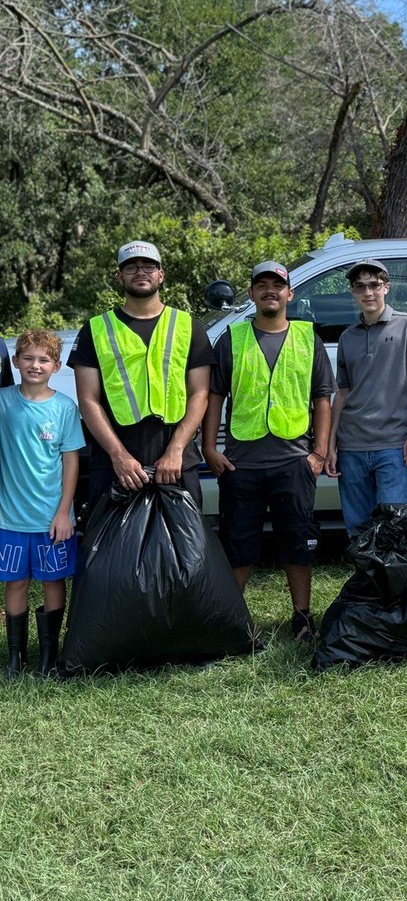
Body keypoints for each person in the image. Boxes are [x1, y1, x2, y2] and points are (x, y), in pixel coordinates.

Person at [202, 261, 334, 642]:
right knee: (238, 543)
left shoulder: (309, 339)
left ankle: (302, 618)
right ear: (251, 295)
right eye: (262, 285)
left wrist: (319, 453)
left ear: (290, 294)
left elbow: (322, 397)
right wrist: (210, 447)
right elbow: (215, 396)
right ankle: (235, 621)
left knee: (298, 543)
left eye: (277, 285)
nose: (270, 291)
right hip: (241, 464)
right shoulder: (232, 338)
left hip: (295, 461)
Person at [68, 240, 213, 513]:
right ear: (118, 275)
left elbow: (200, 394)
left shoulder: (188, 326)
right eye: (131, 267)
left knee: (183, 553)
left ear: (161, 274)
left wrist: (176, 449)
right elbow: (88, 400)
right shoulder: (95, 330)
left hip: (176, 459)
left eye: (148, 266)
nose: (140, 272)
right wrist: (118, 455)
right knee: (112, 552)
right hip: (116, 462)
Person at [326, 259, 407, 535]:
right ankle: (367, 579)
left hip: (394, 445)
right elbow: (342, 393)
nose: (368, 292)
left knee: (395, 527)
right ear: (353, 292)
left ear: (387, 287)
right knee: (358, 529)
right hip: (351, 447)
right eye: (360, 287)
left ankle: (396, 580)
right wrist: (331, 444)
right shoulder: (347, 337)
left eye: (374, 285)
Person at [0, 331, 85, 678]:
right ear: (16, 361)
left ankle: (50, 657)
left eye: (44, 359)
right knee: (15, 584)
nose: (35, 365)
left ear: (56, 366)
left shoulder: (65, 408)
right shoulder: (3, 402)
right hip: (9, 518)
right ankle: (16, 658)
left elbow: (71, 462)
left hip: (53, 518)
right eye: (28, 358)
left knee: (53, 583)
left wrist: (64, 512)